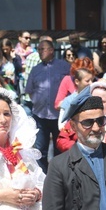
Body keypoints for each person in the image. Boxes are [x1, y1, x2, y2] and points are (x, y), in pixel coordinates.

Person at [25, 38, 71, 172]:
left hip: (59, 117)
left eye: (42, 49)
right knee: (40, 150)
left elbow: (71, 87)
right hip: (40, 116)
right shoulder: (35, 70)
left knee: (60, 148)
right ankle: (43, 179)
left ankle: (60, 175)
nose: (39, 52)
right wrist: (38, 101)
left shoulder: (64, 67)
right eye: (38, 49)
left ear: (51, 50)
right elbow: (29, 90)